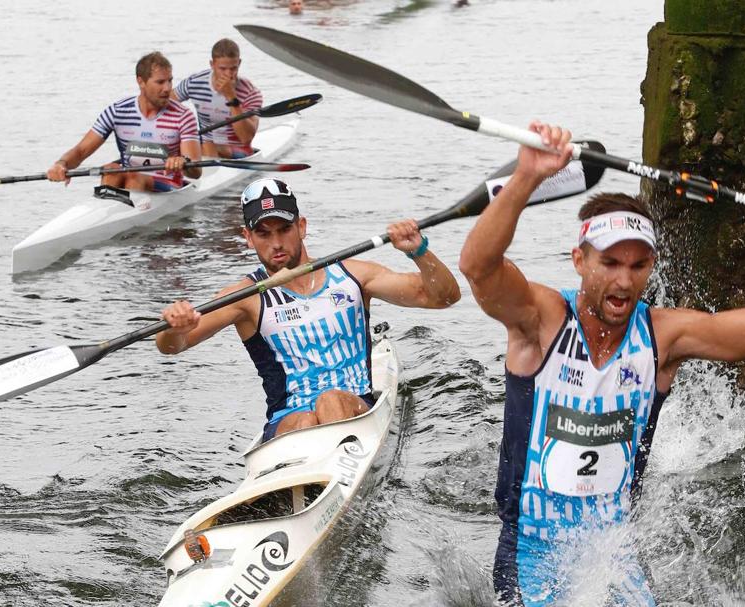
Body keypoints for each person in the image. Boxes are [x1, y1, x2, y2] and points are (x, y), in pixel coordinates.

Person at [458, 122, 745, 606]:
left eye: (639, 266)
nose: (624, 281)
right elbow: (478, 268)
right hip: (530, 550)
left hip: (611, 551)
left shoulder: (664, 334)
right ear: (580, 260)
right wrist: (526, 179)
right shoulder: (542, 319)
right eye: (611, 263)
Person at [156, 178, 460, 440]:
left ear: (301, 227)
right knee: (305, 419)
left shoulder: (354, 276)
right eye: (263, 233)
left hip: (357, 409)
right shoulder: (245, 298)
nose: (276, 243)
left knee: (329, 401)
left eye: (284, 229)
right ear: (248, 238)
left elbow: (443, 297)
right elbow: (173, 347)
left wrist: (419, 252)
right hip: (288, 422)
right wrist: (175, 328)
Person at [47, 52, 201, 193]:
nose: (168, 88)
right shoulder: (117, 111)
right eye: (160, 82)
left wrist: (182, 161)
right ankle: (108, 209)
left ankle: (125, 211)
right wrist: (61, 164)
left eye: (170, 81)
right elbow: (81, 151)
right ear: (141, 82)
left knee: (132, 175)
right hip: (130, 180)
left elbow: (196, 171)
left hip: (169, 185)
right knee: (110, 170)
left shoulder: (183, 116)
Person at [173, 39, 264, 159]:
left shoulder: (250, 93)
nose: (229, 74)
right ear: (212, 64)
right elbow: (163, 103)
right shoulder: (194, 83)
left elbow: (246, 138)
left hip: (239, 152)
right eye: (222, 69)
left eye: (233, 68)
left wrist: (231, 97)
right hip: (203, 146)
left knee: (205, 144)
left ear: (239, 63)